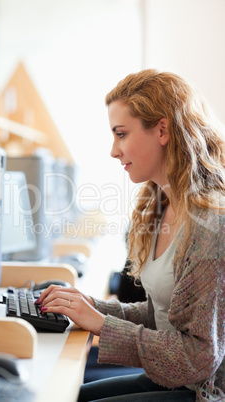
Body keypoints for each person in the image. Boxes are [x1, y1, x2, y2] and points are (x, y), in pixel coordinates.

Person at [36, 69, 225, 401]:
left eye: (121, 134)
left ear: (162, 130)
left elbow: (199, 357)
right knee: (71, 395)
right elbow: (161, 317)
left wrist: (101, 324)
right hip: (173, 379)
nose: (113, 150)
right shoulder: (161, 204)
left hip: (203, 391)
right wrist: (86, 306)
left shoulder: (211, 226)